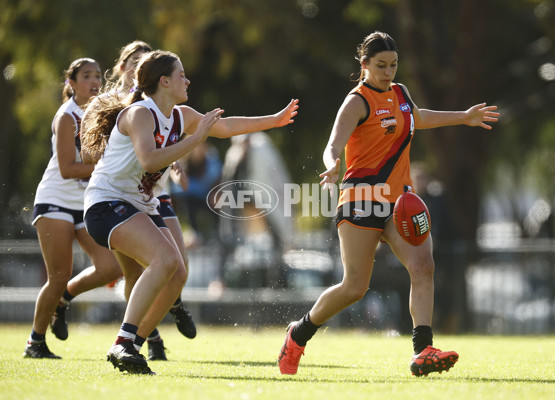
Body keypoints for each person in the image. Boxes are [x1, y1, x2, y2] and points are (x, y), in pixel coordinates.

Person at [277, 31, 499, 377]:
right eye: (381, 65)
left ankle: (422, 350)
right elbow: (333, 143)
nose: (388, 72)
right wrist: (332, 163)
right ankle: (299, 333)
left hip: (399, 203)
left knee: (423, 266)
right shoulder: (357, 101)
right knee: (354, 288)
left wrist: (464, 116)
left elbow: (418, 118)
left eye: (393, 65)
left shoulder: (401, 93)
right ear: (363, 64)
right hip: (361, 199)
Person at [82, 49, 299, 374]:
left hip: (133, 205)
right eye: (181, 74)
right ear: (164, 81)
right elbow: (150, 161)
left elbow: (223, 127)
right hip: (105, 205)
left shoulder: (178, 115)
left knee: (177, 272)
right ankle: (124, 343)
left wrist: (273, 120)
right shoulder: (140, 114)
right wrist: (196, 138)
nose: (187, 79)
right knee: (167, 260)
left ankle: (132, 344)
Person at [51, 41, 197, 362]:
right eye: (134, 61)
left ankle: (135, 339)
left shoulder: (166, 109)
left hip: (145, 196)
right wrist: (153, 150)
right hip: (107, 197)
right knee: (159, 264)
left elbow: (216, 128)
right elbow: (92, 157)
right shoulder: (126, 107)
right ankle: (56, 324)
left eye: (144, 60)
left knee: (171, 269)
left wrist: (169, 157)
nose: (139, 65)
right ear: (123, 68)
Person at [23, 58, 110, 359]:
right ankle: (35, 342)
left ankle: (63, 301)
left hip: (84, 204)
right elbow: (66, 168)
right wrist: (105, 163)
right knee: (58, 275)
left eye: (98, 75)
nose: (94, 81)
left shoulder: (103, 112)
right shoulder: (67, 116)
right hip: (55, 200)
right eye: (87, 76)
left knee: (110, 266)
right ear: (71, 83)